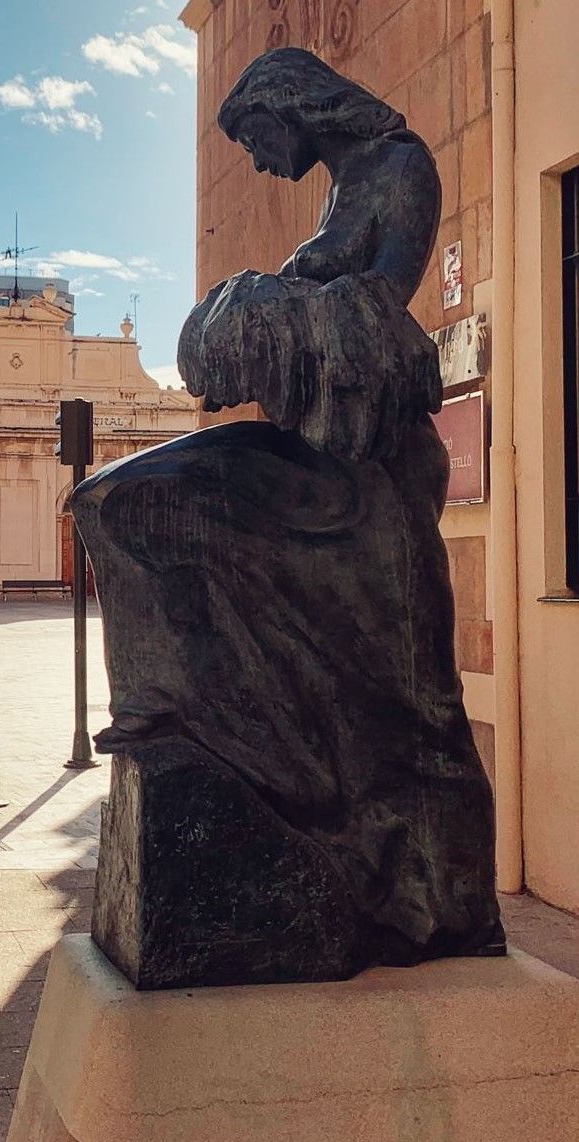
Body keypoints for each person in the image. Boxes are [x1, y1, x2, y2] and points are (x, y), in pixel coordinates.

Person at [71, 48, 503, 969]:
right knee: (114, 500)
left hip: (364, 464)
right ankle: (169, 713)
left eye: (258, 141)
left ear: (290, 107)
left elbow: (375, 320)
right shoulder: (338, 189)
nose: (261, 165)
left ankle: (409, 874)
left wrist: (268, 312)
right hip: (311, 446)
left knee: (414, 698)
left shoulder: (399, 169)